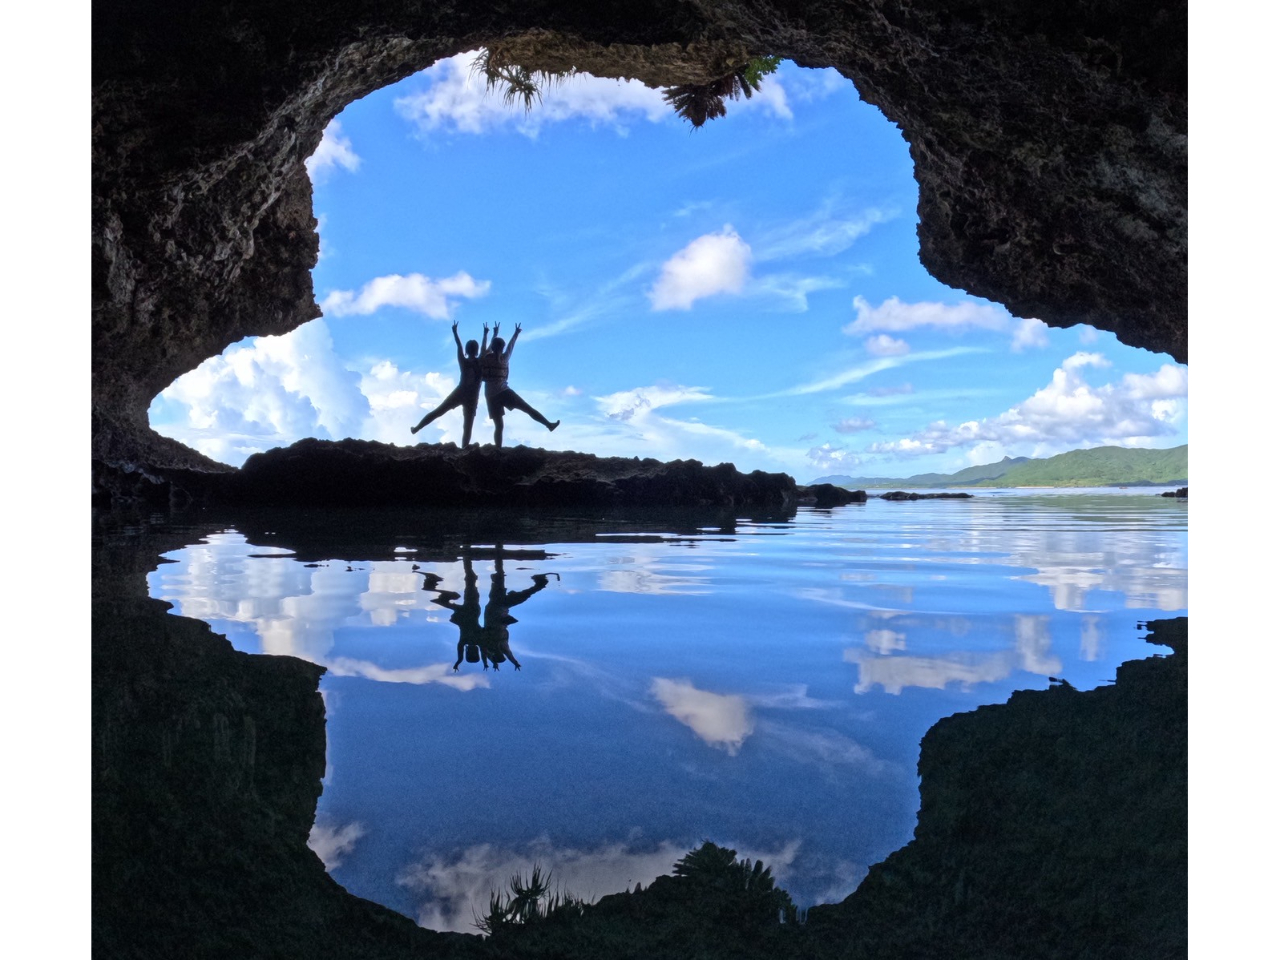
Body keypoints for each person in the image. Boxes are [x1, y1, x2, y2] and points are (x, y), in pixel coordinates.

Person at [480, 322, 560, 448]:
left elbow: (485, 349)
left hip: (491, 396)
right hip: (504, 391)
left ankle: (498, 450)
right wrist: (516, 333)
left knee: (499, 425)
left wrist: (490, 334)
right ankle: (548, 424)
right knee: (527, 409)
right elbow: (511, 346)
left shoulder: (486, 359)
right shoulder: (504, 359)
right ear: (502, 348)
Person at [410, 321, 487, 446]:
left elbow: (459, 346)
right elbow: (484, 349)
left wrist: (455, 333)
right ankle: (464, 450)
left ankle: (416, 428)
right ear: (476, 351)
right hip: (472, 398)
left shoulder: (464, 361)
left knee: (438, 412)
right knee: (467, 427)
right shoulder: (480, 363)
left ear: (467, 351)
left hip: (460, 393)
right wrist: (487, 334)